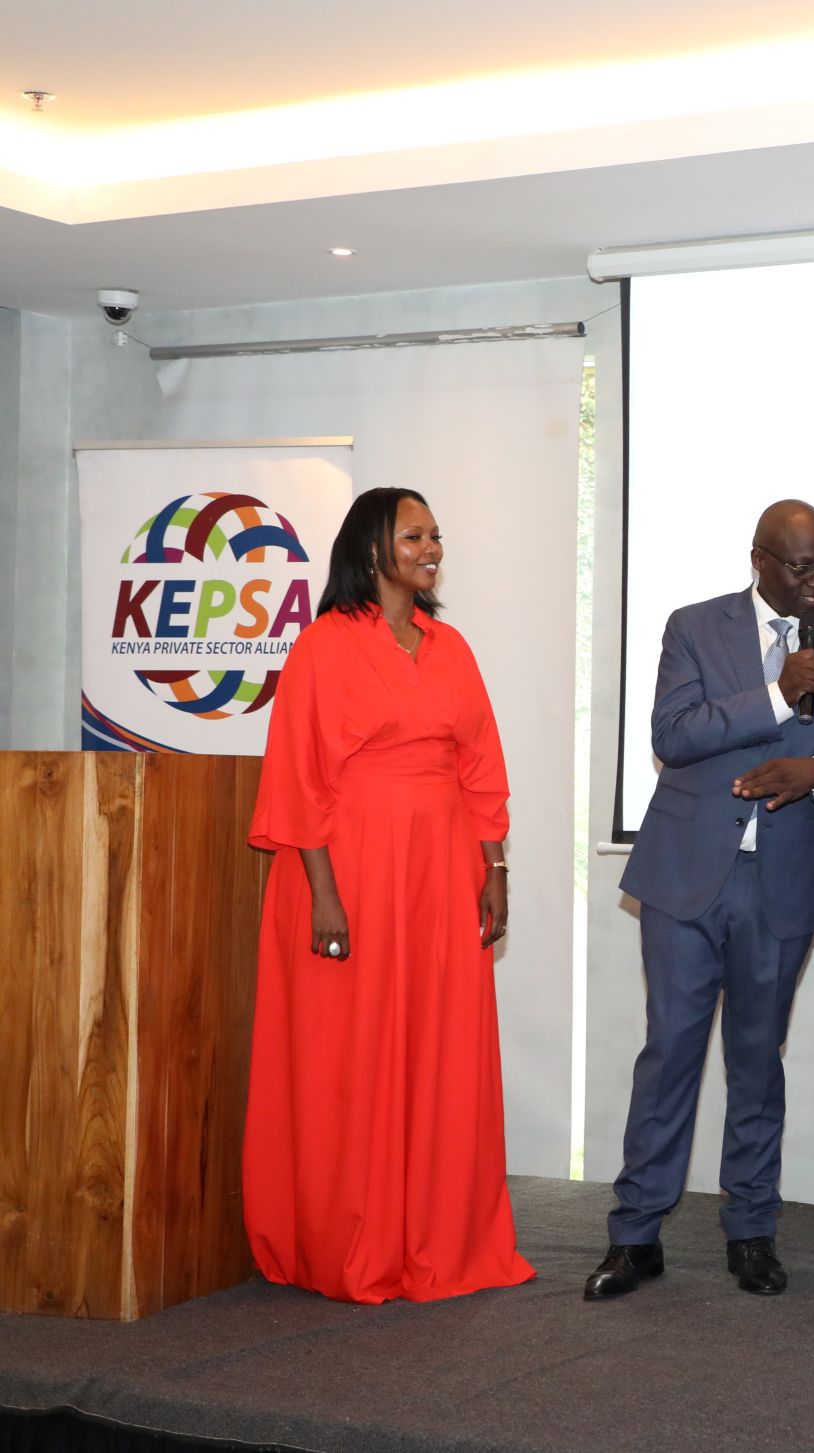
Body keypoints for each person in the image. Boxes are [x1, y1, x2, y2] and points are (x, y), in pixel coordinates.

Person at [587, 500, 814, 1300]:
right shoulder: (694, 627)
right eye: (802, 566)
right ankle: (635, 1234)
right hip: (684, 877)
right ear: (760, 559)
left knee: (758, 1061)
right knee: (668, 1055)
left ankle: (751, 1230)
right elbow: (673, 733)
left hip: (781, 888)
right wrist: (779, 697)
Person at [243, 486, 532, 1303]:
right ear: (372, 549)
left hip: (440, 872)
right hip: (350, 871)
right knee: (352, 1051)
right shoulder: (323, 647)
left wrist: (494, 870)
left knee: (437, 1045)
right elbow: (299, 779)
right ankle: (351, 1240)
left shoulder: (451, 647)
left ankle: (435, 1234)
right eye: (413, 536)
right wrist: (324, 895)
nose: (430, 548)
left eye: (435, 536)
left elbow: (481, 768)